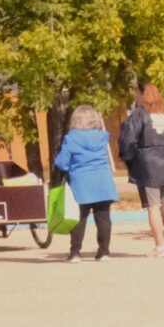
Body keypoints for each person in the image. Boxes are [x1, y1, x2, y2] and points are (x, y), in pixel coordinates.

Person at [118, 83, 164, 258]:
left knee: (153, 207)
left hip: (149, 165)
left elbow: (128, 139)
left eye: (137, 94)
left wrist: (127, 157)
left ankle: (159, 247)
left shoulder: (140, 114)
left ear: (143, 95)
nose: (136, 97)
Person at [51, 105, 119, 263]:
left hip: (82, 184)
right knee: (103, 219)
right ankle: (104, 252)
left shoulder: (72, 138)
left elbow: (62, 162)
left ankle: (75, 253)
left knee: (79, 219)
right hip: (103, 182)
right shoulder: (102, 137)